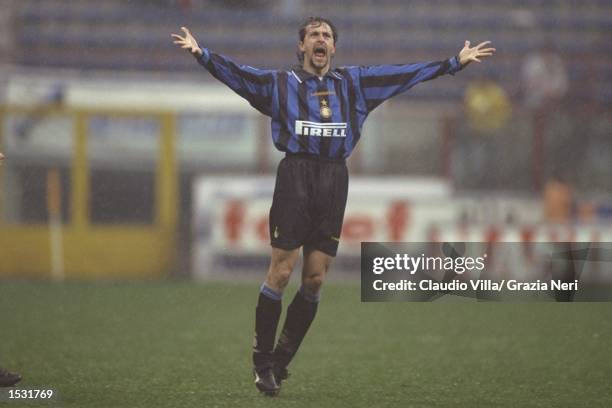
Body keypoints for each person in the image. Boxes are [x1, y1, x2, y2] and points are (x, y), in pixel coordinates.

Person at [172, 17, 495, 396]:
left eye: (326, 35)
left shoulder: (354, 83)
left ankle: (279, 361)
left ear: (334, 48)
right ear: (302, 47)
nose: (320, 39)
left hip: (333, 180)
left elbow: (403, 75)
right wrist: (204, 55)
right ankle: (261, 363)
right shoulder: (281, 84)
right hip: (295, 176)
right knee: (281, 271)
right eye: (314, 35)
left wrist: (452, 63)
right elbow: (241, 76)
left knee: (315, 279)